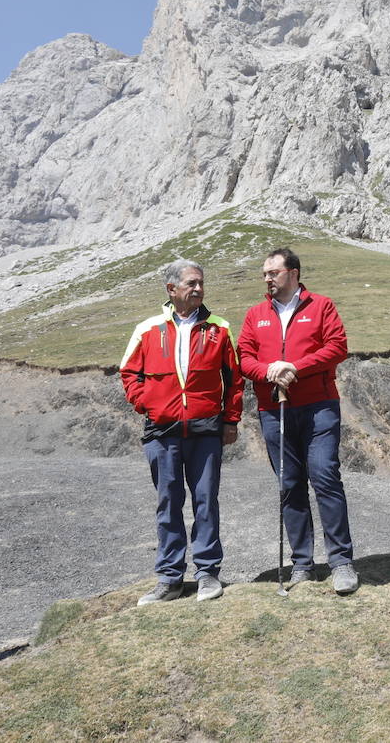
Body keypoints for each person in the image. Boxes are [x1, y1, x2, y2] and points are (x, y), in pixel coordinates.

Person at [120, 259, 242, 606]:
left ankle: (207, 574)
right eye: (191, 283)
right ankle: (170, 578)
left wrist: (231, 421)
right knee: (168, 503)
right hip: (162, 429)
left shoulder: (219, 328)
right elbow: (129, 372)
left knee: (205, 502)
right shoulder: (148, 328)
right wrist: (147, 402)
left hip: (206, 429)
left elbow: (234, 380)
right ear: (171, 289)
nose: (198, 289)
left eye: (201, 283)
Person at [238, 247, 357, 594]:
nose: (267, 279)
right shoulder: (256, 314)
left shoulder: (321, 306)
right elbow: (244, 357)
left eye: (273, 272)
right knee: (290, 485)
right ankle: (302, 564)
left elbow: (337, 347)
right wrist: (268, 371)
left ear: (293, 273)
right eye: (264, 274)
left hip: (319, 406)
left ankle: (341, 562)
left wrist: (295, 367)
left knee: (324, 477)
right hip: (274, 410)